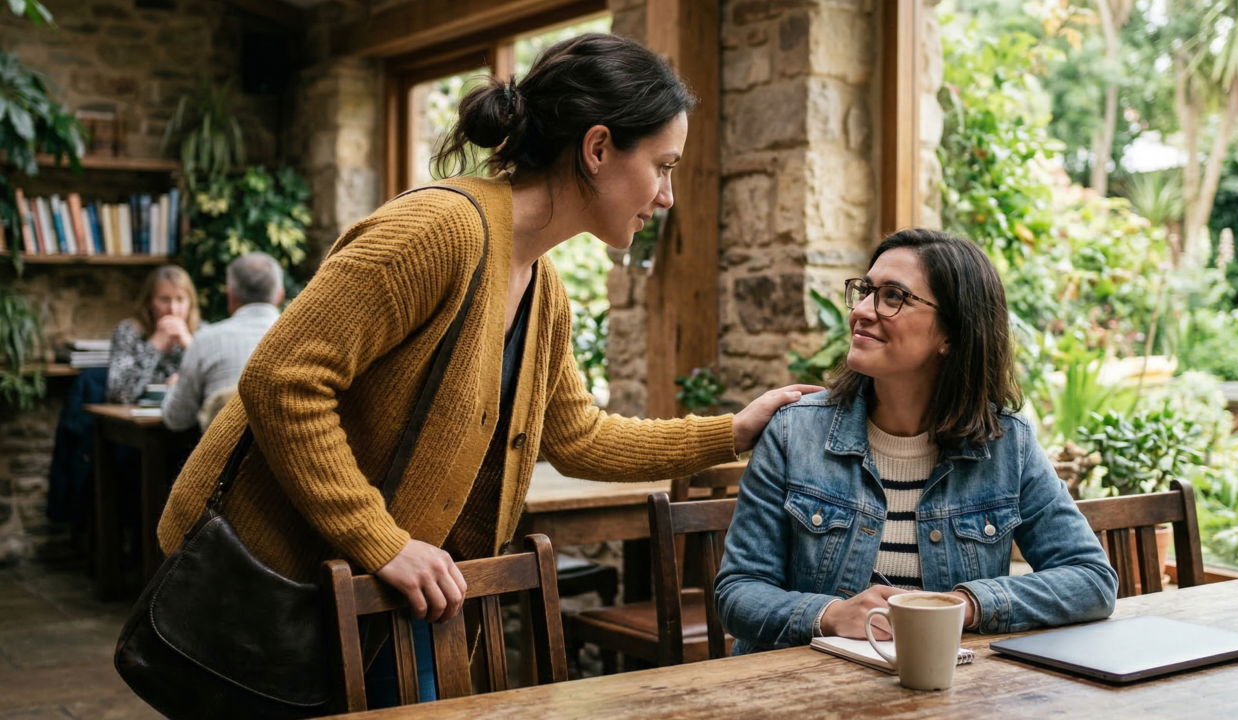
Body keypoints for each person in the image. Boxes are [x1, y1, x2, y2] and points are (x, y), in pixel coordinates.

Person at [157, 33, 820, 706]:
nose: (668, 196)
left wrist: (731, 431)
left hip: (386, 589)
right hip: (272, 572)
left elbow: (578, 437)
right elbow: (281, 380)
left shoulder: (543, 290)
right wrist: (382, 542)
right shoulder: (438, 230)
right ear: (597, 149)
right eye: (663, 165)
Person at [715, 229, 1117, 654]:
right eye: (866, 291)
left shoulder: (1006, 445)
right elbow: (738, 593)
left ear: (952, 334)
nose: (863, 311)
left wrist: (962, 606)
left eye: (893, 297)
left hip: (945, 691)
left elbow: (1091, 579)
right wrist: (832, 615)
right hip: (805, 692)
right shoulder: (794, 433)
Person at [162, 253, 284, 432]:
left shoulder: (204, 340)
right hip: (293, 457)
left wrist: (173, 387)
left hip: (224, 457)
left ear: (231, 296)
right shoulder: (307, 340)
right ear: (280, 295)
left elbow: (177, 420)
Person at [106, 265, 201, 404]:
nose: (173, 309)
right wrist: (154, 347)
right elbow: (119, 394)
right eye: (164, 299)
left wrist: (190, 346)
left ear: (190, 303)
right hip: (136, 420)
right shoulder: (128, 332)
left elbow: (218, 389)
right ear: (149, 302)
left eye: (180, 299)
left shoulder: (203, 333)